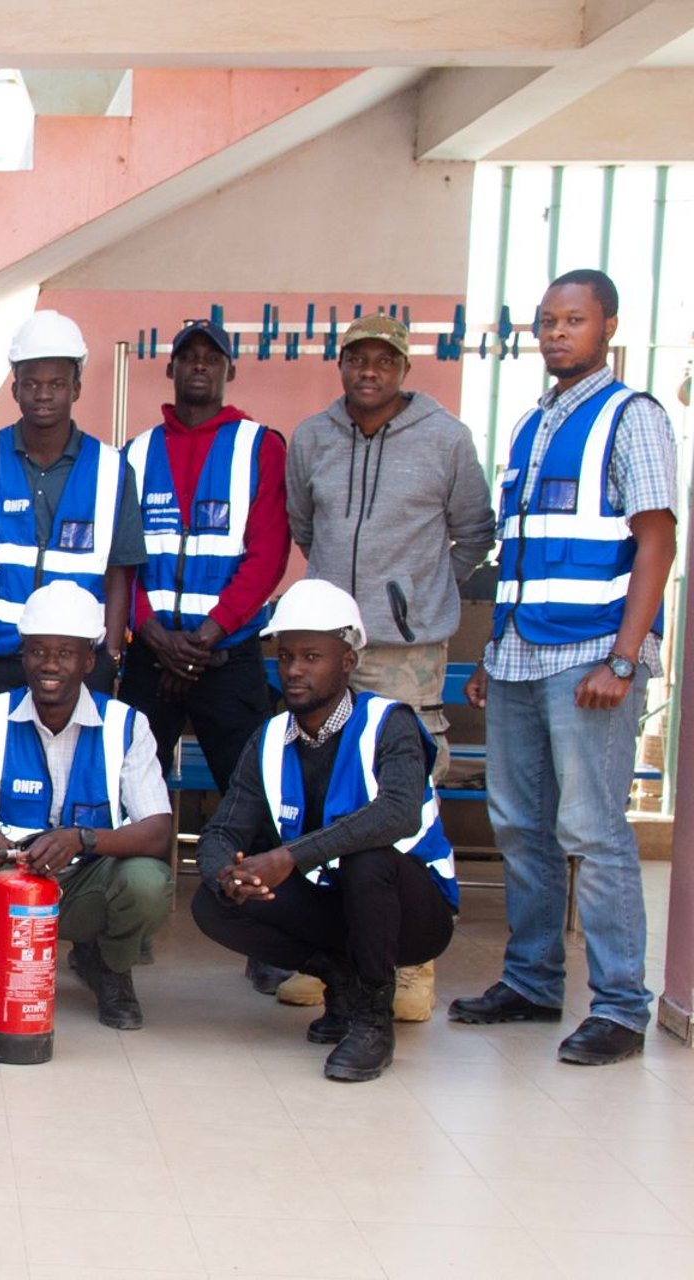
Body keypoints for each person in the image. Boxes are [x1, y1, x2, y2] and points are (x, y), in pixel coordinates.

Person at [449, 269, 678, 1067]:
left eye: (572, 321)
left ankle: (619, 1006)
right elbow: (519, 556)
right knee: (518, 826)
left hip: (589, 660)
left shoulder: (631, 417)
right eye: (546, 321)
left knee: (592, 830)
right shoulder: (530, 425)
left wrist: (623, 658)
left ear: (607, 327)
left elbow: (657, 541)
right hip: (518, 656)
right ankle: (533, 981)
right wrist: (492, 653)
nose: (555, 334)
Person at [280, 312, 494, 1019]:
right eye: (357, 358)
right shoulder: (312, 438)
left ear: (404, 369)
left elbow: (474, 533)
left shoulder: (447, 440)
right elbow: (305, 527)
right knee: (322, 789)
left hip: (407, 652)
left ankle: (411, 963)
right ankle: (327, 951)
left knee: (406, 798)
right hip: (329, 644)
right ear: (341, 364)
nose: (369, 371)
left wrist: (420, 594)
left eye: (385, 360)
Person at [191, 580, 458, 1082]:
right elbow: (221, 832)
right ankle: (343, 983)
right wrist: (227, 874)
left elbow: (396, 813)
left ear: (347, 662)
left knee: (368, 859)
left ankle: (374, 1021)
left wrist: (289, 856)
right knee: (213, 902)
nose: (293, 670)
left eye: (312, 656)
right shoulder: (270, 737)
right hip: (337, 903)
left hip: (412, 912)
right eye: (286, 656)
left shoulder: (388, 722)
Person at [0, 582, 173, 1028]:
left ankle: (109, 967)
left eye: (65, 653)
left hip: (86, 882)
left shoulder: (126, 725)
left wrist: (84, 838)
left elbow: (158, 831)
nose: (49, 665)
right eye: (37, 651)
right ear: (22, 656)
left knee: (148, 881)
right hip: (4, 879)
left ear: (89, 660)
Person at [120, 319, 290, 994]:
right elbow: (120, 560)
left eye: (210, 359)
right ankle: (124, 928)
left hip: (228, 657)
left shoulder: (260, 447)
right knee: (131, 792)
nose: (197, 367)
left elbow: (267, 554)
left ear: (228, 372)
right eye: (186, 356)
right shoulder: (134, 453)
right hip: (151, 656)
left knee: (254, 795)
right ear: (169, 370)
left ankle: (270, 938)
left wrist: (212, 632)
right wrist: (154, 633)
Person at [0, 310, 145, 706]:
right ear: (15, 390)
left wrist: (110, 656)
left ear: (76, 388)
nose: (43, 395)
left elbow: (118, 573)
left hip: (77, 663)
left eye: (57, 384)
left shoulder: (112, 468)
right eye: (32, 384)